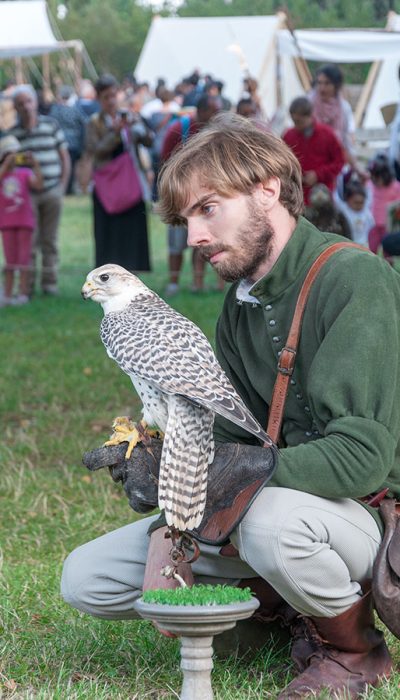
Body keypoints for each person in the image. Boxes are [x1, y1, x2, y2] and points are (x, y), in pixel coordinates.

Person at [62, 115, 400, 699]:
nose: (193, 235)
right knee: (89, 578)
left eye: (208, 209)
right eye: (185, 219)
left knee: (271, 525)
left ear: (267, 189)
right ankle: (282, 616)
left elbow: (361, 460)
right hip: (271, 509)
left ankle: (355, 650)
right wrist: (171, 462)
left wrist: (230, 474)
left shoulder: (354, 280)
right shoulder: (238, 307)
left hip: (364, 518)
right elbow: (224, 433)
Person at [84, 74, 152, 271]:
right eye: (106, 97)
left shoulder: (129, 116)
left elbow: (149, 140)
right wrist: (115, 133)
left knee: (132, 230)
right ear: (98, 98)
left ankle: (133, 272)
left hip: (130, 183)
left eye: (114, 95)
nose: (112, 101)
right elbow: (95, 150)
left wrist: (137, 125)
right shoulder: (93, 123)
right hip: (106, 187)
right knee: (108, 233)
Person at [8, 84, 70, 296]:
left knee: (50, 240)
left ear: (35, 102)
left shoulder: (51, 125)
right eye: (20, 103)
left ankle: (49, 284)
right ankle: (29, 285)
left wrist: (63, 185)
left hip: (53, 189)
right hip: (28, 195)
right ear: (15, 108)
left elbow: (65, 156)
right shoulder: (13, 134)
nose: (26, 106)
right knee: (30, 241)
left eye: (28, 101)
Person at [160, 94, 222, 294]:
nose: (217, 115)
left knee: (202, 239)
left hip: (205, 195)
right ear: (202, 111)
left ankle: (198, 282)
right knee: (177, 242)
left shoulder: (217, 132)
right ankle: (174, 281)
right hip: (180, 195)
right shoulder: (178, 129)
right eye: (214, 111)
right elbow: (163, 163)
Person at [0, 135, 43, 305]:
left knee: (23, 259)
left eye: (16, 153)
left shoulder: (25, 173)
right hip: (6, 223)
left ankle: (23, 294)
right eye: (10, 153)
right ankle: (8, 294)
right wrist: (5, 166)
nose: (14, 157)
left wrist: (36, 165)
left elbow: (39, 185)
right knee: (10, 260)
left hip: (25, 221)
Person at [283, 96, 345, 205]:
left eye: (299, 121)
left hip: (323, 196)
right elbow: (283, 163)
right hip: (297, 197)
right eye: (294, 121)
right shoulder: (289, 135)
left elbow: (339, 162)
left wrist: (318, 175)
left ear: (310, 116)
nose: (296, 125)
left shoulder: (327, 134)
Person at [49, 86, 86, 195]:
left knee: (61, 166)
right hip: (73, 143)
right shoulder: (75, 110)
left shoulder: (55, 109)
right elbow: (84, 122)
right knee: (72, 166)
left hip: (59, 142)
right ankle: (69, 189)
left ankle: (62, 188)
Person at [367, 152, 400, 259]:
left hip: (388, 226)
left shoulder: (395, 187)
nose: (374, 180)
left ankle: (388, 269)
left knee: (388, 252)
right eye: (372, 176)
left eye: (377, 176)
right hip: (374, 225)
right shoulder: (370, 185)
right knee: (372, 250)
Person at [334, 180, 374, 247]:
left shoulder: (367, 213)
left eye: (361, 202)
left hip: (365, 244)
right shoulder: (344, 211)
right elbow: (335, 197)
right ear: (347, 200)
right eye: (356, 202)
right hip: (348, 244)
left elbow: (372, 229)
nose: (359, 205)